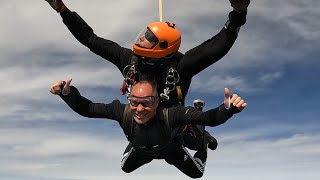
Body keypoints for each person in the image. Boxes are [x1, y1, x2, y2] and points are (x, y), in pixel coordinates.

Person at [44, 0, 250, 154]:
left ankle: (204, 135)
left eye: (148, 37)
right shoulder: (129, 60)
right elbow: (91, 40)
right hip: (142, 120)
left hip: (175, 121)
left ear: (162, 47)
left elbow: (215, 48)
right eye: (144, 33)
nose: (141, 38)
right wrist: (62, 9)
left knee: (194, 142)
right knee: (136, 151)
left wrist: (238, 13)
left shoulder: (181, 66)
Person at [50, 78, 247, 178]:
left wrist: (227, 109)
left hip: (171, 149)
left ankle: (202, 140)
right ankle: (136, 144)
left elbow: (207, 118)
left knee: (197, 174)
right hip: (142, 150)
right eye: (135, 102)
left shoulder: (172, 113)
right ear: (129, 100)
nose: (140, 109)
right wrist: (68, 94)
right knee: (125, 168)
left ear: (158, 101)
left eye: (147, 102)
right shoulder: (122, 111)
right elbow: (88, 109)